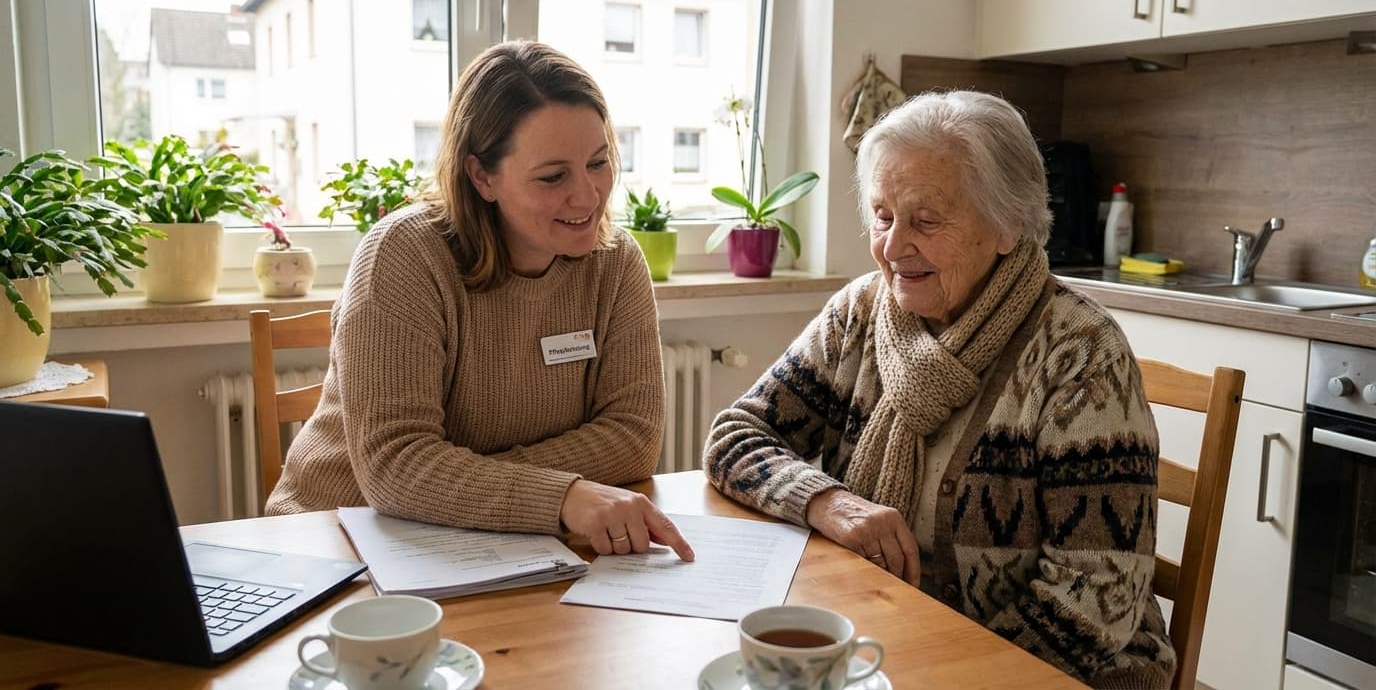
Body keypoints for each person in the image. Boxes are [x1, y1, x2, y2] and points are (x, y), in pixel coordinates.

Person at [703, 91, 1173, 686]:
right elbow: (735, 438)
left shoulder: (1080, 355)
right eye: (882, 215)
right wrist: (829, 502)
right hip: (888, 639)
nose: (893, 246)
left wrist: (936, 670)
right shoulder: (860, 314)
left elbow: (1096, 598)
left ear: (1010, 224)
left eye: (925, 221)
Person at [267, 40, 693, 563]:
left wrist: (461, 480)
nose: (588, 196)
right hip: (335, 541)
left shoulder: (616, 261)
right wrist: (562, 495)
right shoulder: (404, 255)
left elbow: (633, 438)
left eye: (599, 162)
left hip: (504, 544)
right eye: (553, 176)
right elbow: (395, 466)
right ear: (481, 176)